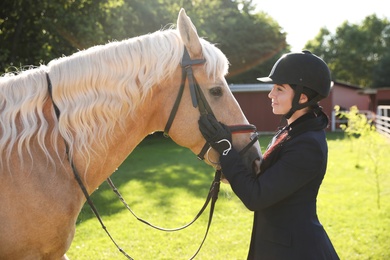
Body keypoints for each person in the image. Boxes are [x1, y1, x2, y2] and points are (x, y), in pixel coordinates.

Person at [199, 51, 339, 259]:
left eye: (279, 89)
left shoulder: (307, 145)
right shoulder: (291, 131)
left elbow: (256, 197)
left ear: (302, 97)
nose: (270, 94)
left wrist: (226, 149)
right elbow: (261, 176)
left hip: (296, 251)